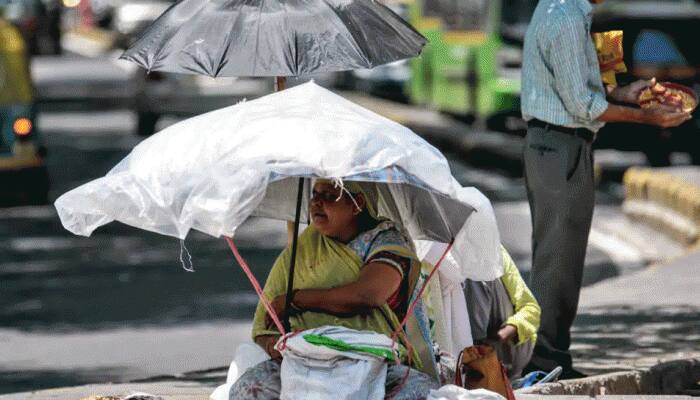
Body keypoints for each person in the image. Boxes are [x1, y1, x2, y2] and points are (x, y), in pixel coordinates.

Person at [521, 0, 691, 379]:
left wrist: (632, 94)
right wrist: (649, 117)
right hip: (558, 143)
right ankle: (545, 361)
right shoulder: (564, 15)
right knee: (558, 258)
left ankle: (552, 357)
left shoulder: (573, 13)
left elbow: (594, 88)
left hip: (565, 144)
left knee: (564, 257)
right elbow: (583, 105)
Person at [230, 180, 438, 400]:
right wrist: (277, 346)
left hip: (374, 362)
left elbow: (368, 294)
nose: (316, 203)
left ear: (357, 204)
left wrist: (295, 300)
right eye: (314, 195)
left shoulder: (387, 240)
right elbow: (267, 323)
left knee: (419, 393)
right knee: (249, 390)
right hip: (303, 363)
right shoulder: (304, 249)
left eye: (329, 196)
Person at [464, 247, 540, 379]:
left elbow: (531, 309)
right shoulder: (426, 252)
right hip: (452, 352)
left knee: (477, 269)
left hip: (501, 348)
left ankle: (477, 357)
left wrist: (502, 335)